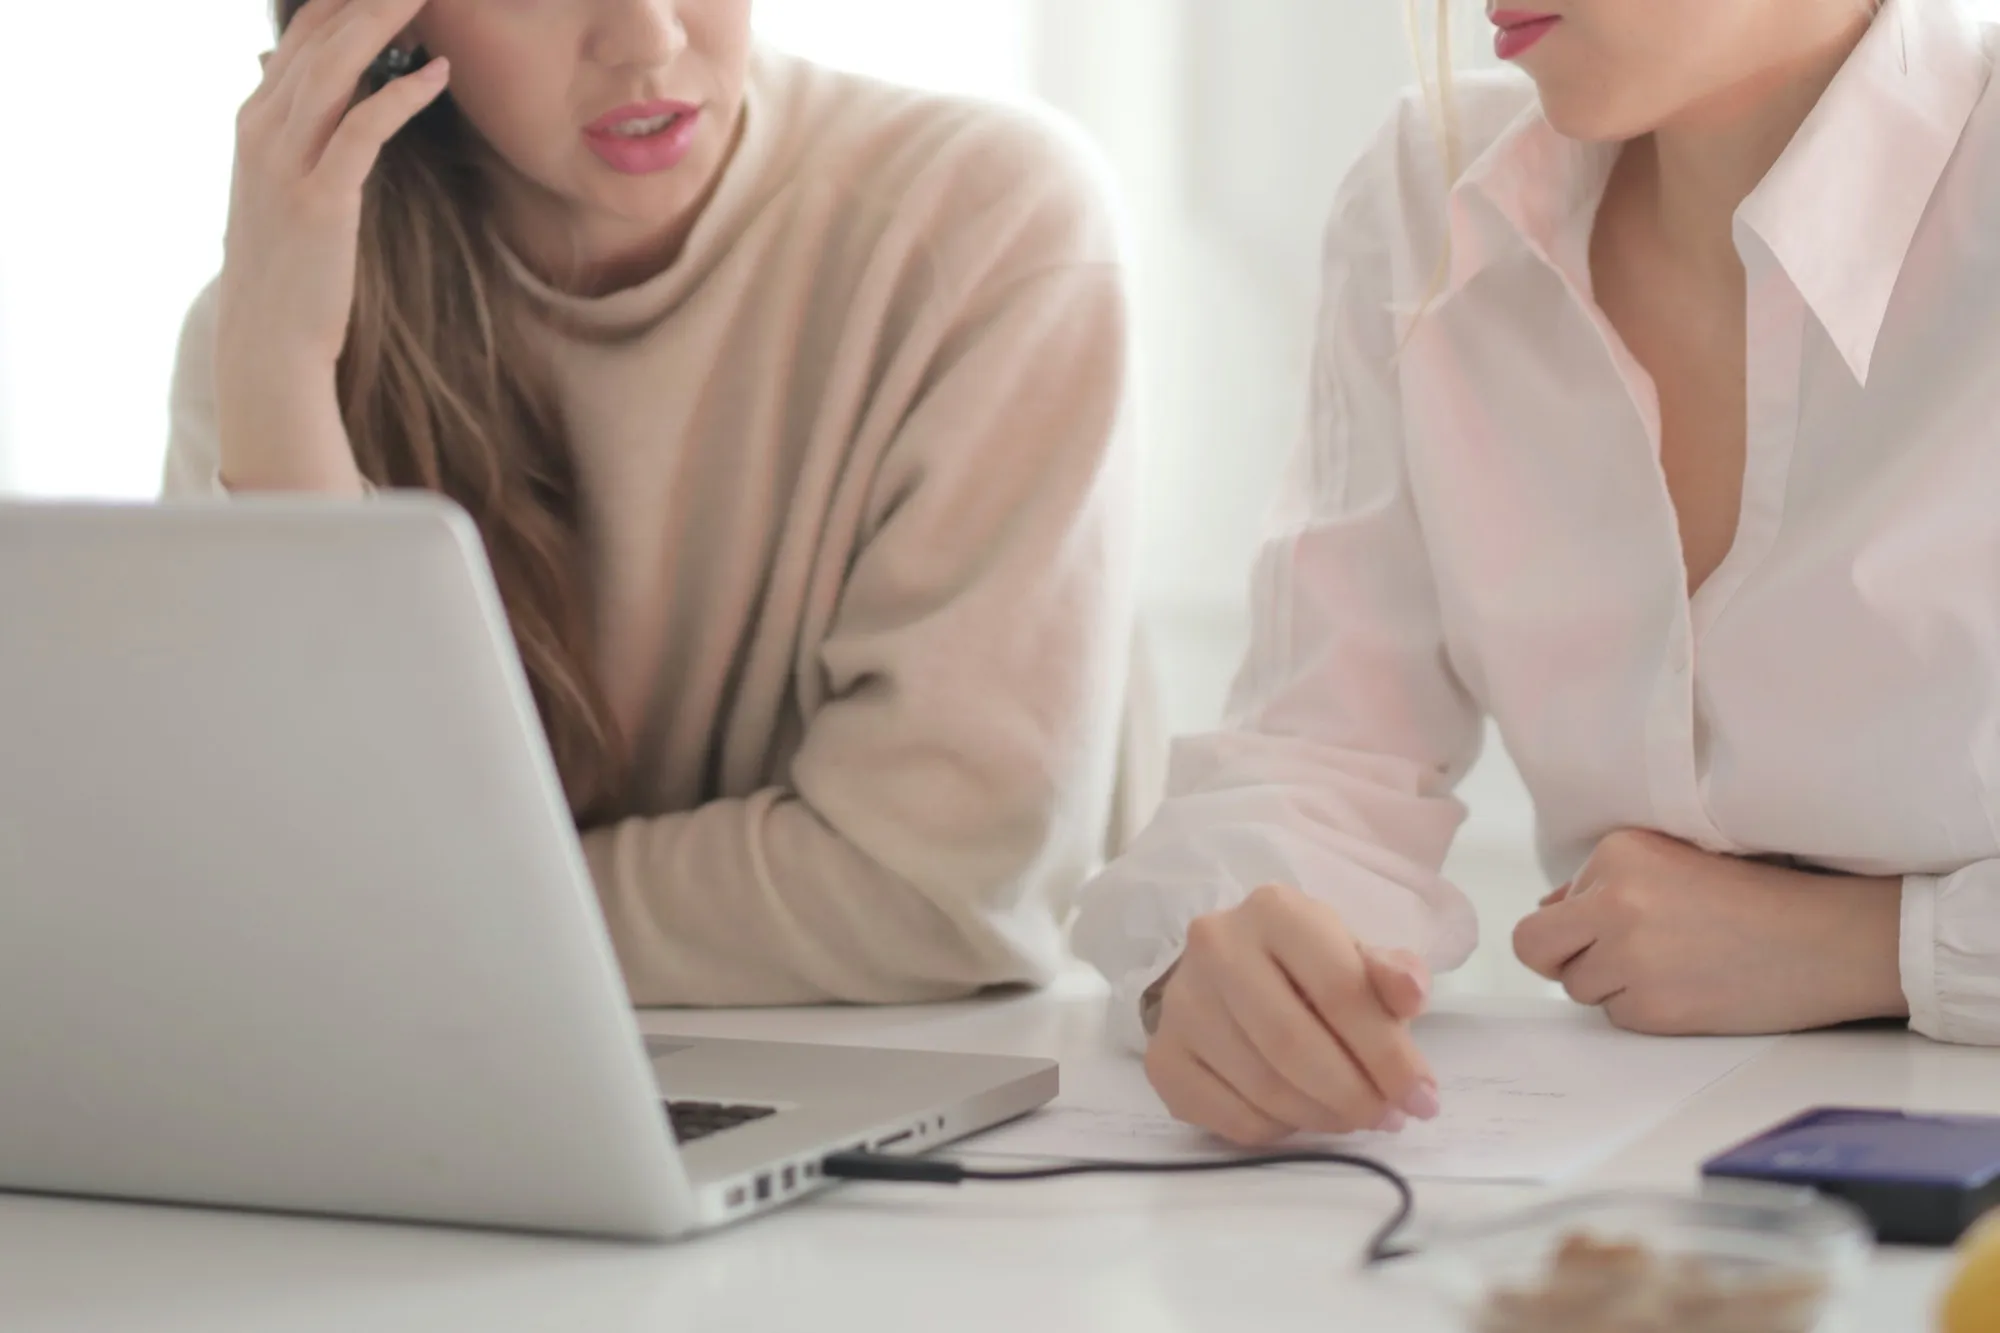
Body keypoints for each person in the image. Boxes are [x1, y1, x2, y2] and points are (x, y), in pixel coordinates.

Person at [1073, 0, 2000, 1147]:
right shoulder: (1435, 194)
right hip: (1639, 1194)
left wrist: (1868, 949)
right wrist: (1229, 963)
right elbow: (1322, 748)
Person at [164, 0, 1156, 1007]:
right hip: (450, 1088)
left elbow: (940, 889)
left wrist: (420, 916)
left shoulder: (990, 220)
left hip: (951, 1092)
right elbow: (276, 889)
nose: (645, 39)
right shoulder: (277, 328)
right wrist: (279, 382)